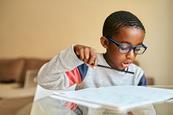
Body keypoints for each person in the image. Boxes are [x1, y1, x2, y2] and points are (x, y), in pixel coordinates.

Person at [37, 11, 156, 115]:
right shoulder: (86, 66)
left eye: (137, 48)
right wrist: (73, 54)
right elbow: (46, 80)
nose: (131, 55)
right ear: (105, 42)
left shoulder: (138, 75)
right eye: (124, 47)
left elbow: (145, 109)